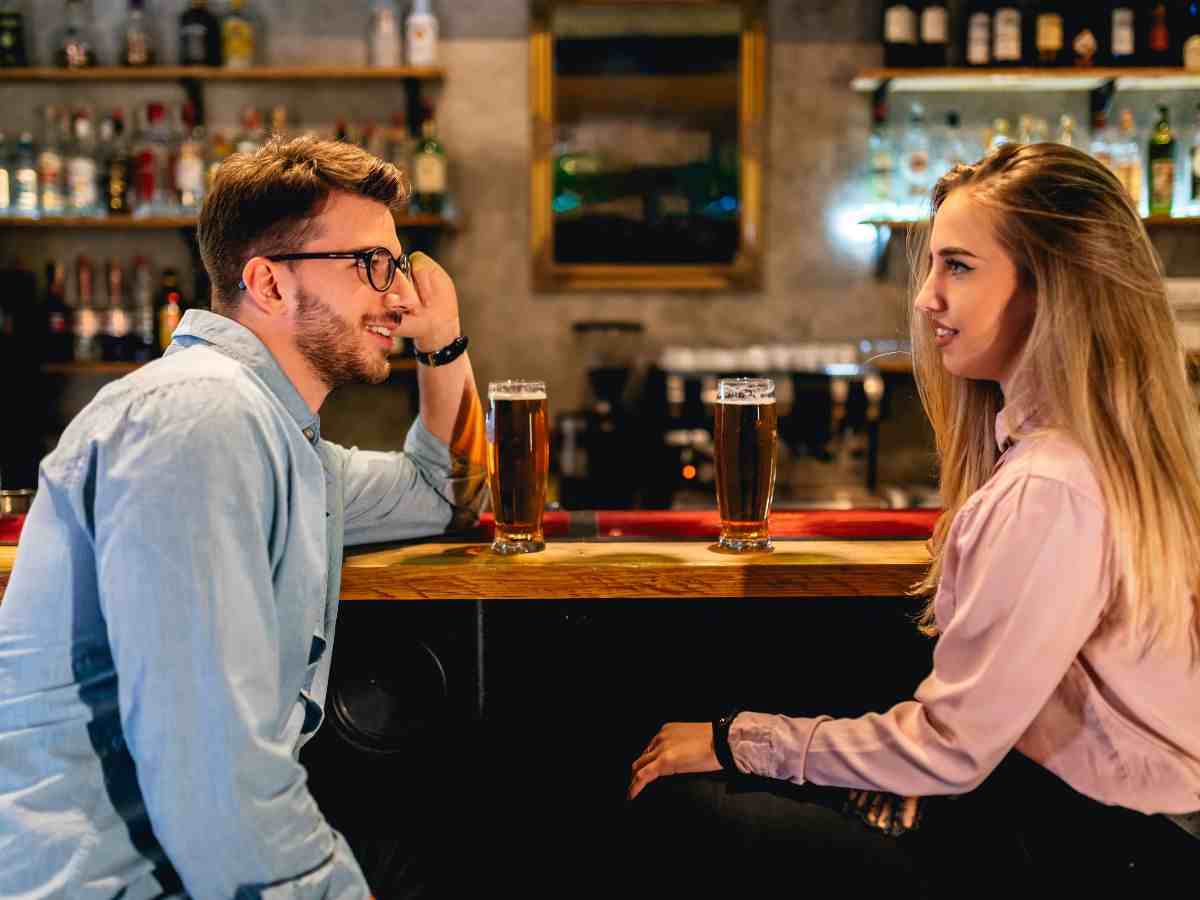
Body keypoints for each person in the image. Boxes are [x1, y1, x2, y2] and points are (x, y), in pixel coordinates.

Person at [628, 142, 1200, 896]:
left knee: (687, 809)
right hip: (1099, 830)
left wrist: (738, 739)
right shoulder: (1086, 457)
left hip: (1098, 853)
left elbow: (950, 751)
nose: (927, 296)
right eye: (932, 266)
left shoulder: (1052, 486)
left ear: (1052, 289)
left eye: (957, 267)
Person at [0, 136, 487, 898]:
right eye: (373, 266)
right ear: (268, 281)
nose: (401, 298)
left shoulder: (284, 443)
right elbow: (211, 764)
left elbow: (446, 496)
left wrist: (445, 342)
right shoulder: (201, 418)